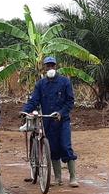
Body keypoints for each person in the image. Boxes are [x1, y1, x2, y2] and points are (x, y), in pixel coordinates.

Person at [22, 56, 78, 187]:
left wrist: (61, 113)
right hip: (47, 121)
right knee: (52, 149)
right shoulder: (40, 84)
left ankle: (73, 177)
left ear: (56, 66)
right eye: (48, 66)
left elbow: (70, 101)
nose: (50, 68)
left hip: (62, 121)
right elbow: (34, 101)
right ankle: (57, 178)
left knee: (66, 146)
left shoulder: (65, 82)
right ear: (45, 67)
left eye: (52, 65)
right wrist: (25, 110)